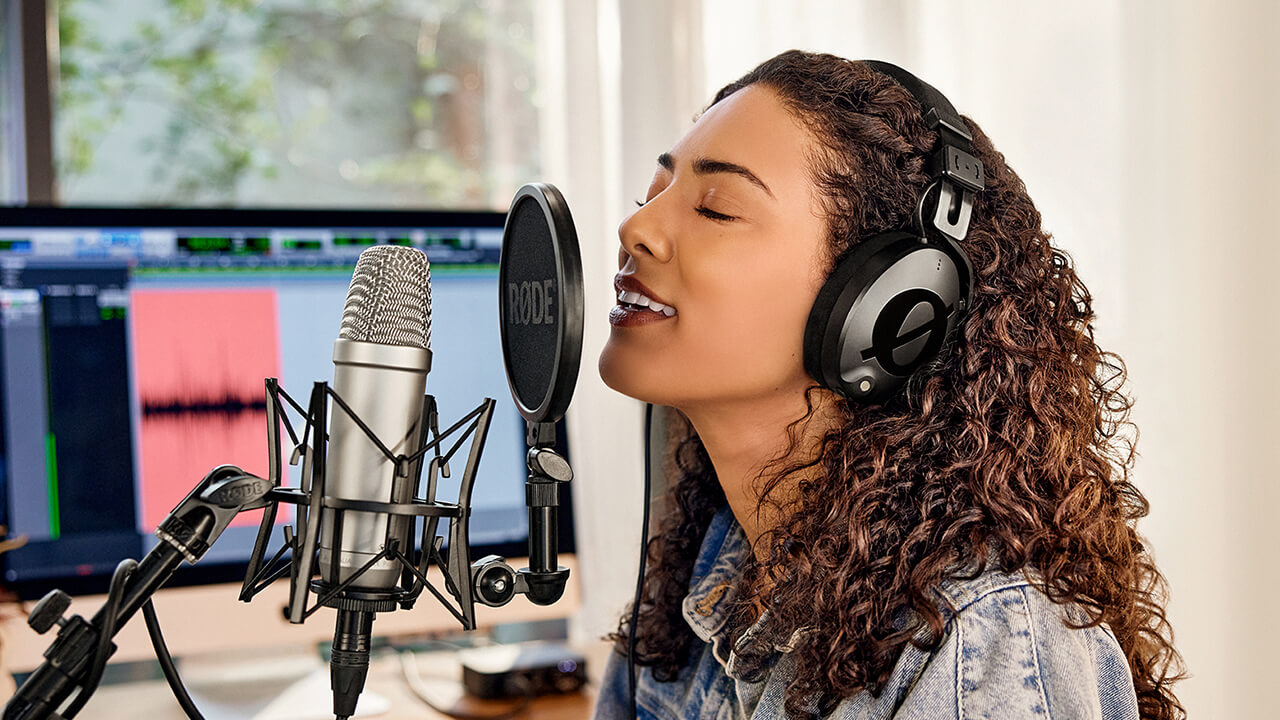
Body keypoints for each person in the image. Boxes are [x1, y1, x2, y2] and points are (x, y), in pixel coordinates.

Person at [592, 50, 1185, 720]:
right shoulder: (717, 560)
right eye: (652, 194)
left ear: (890, 306)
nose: (635, 228)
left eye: (717, 208)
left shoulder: (978, 639)